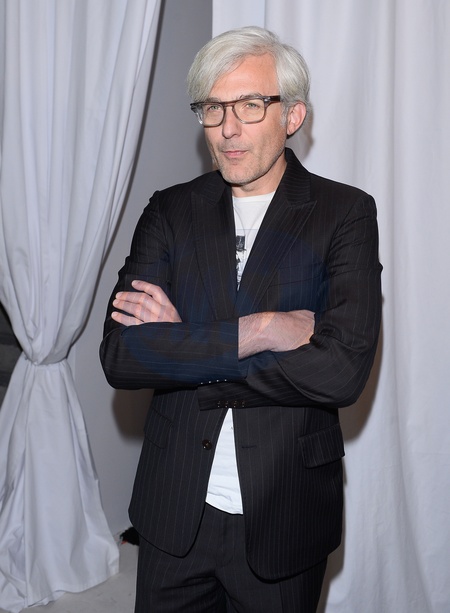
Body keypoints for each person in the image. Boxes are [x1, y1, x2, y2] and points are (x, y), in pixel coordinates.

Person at [100, 25, 382, 613]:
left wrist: (183, 345)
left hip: (286, 512)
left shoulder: (345, 213)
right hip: (173, 510)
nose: (227, 128)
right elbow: (121, 356)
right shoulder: (170, 210)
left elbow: (341, 372)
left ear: (292, 116)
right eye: (213, 107)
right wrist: (263, 330)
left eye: (250, 105)